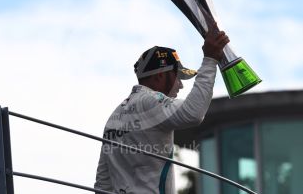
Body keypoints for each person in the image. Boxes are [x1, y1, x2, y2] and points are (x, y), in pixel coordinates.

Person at [94, 22, 229, 194]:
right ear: (159, 76)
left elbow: (102, 184)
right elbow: (193, 113)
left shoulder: (114, 117)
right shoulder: (151, 102)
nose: (180, 85)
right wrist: (210, 60)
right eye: (177, 76)